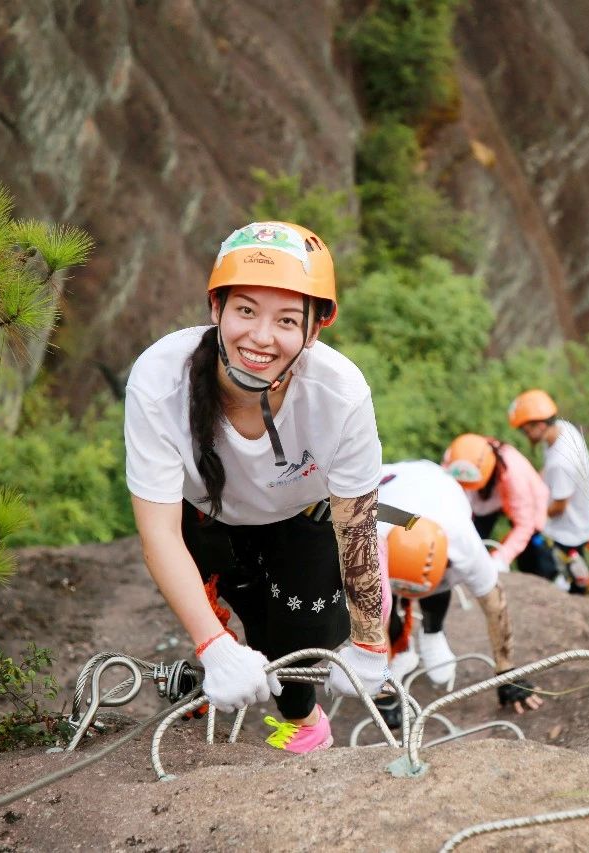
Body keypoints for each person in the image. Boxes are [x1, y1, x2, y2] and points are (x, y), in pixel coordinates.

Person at [124, 221, 390, 754]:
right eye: (245, 311)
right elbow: (158, 533)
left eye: (287, 320)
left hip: (299, 519)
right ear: (216, 310)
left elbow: (357, 527)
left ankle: (304, 722)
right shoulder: (159, 381)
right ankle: (209, 671)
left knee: (295, 652)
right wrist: (213, 646)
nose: (262, 337)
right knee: (225, 633)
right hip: (202, 521)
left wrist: (369, 643)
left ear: (315, 330)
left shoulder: (340, 395)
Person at [376, 460, 543, 720]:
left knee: (435, 588)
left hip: (436, 483)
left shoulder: (464, 543)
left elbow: (494, 603)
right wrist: (383, 693)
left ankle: (432, 632)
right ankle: (402, 651)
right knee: (378, 603)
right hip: (388, 484)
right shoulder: (369, 538)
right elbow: (372, 618)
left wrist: (507, 671)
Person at [507, 389, 589, 594]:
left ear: (540, 425)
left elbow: (558, 507)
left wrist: (529, 514)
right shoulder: (562, 430)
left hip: (568, 530)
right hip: (579, 519)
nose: (525, 434)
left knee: (567, 575)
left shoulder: (561, 461)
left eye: (526, 430)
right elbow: (549, 471)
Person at [441, 433, 556, 579]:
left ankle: (548, 578)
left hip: (529, 509)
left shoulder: (514, 476)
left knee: (534, 558)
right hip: (483, 504)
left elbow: (524, 525)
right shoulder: (455, 457)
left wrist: (500, 558)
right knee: (471, 541)